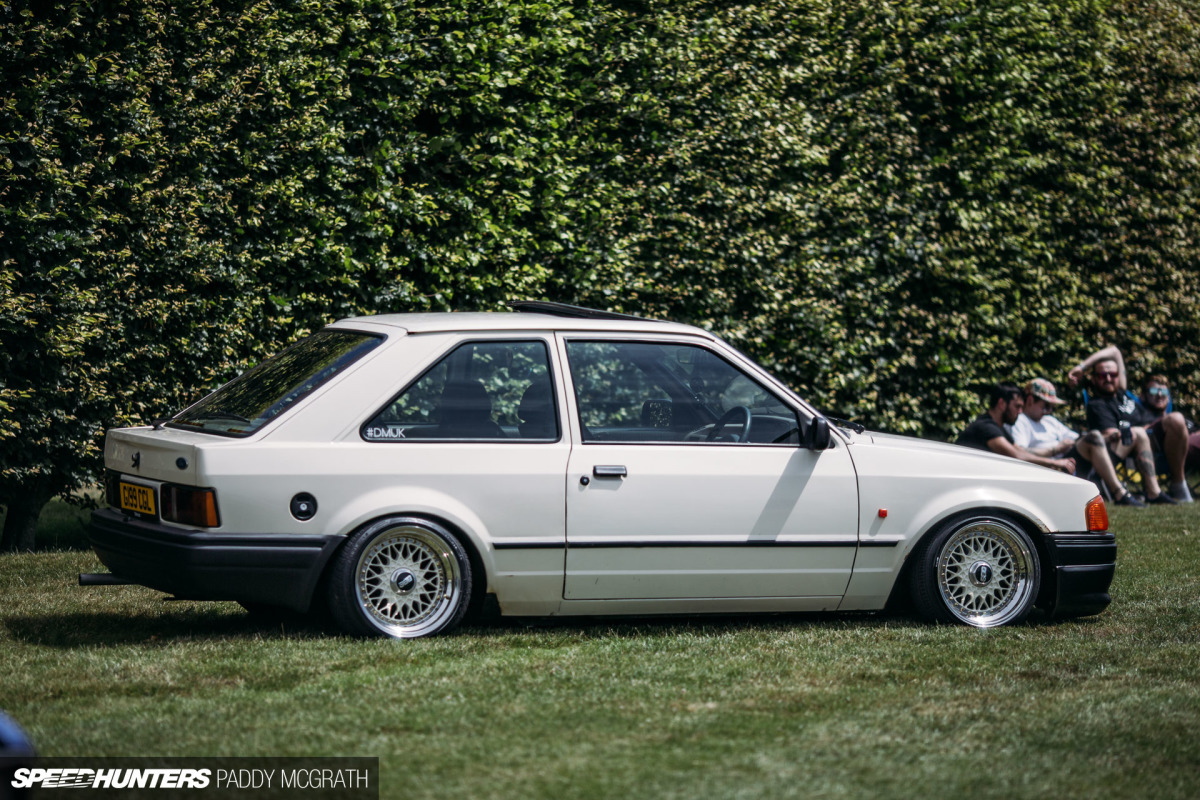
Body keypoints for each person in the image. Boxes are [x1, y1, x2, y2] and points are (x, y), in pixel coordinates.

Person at [1009, 378, 1143, 506]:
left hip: (1068, 464)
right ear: (1030, 401)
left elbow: (1078, 438)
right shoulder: (1021, 421)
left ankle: (1111, 486)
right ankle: (1118, 492)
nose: (1049, 411)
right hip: (1049, 469)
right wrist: (1055, 450)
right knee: (1094, 437)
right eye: (1046, 406)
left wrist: (1109, 438)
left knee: (1097, 437)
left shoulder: (1049, 420)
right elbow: (1021, 453)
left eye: (1051, 407)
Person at [1073, 349, 1180, 503]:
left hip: (1149, 439)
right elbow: (1112, 435)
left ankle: (1164, 489)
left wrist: (1082, 366)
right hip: (1122, 448)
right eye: (1103, 375)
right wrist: (1081, 369)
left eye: (1113, 375)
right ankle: (1154, 492)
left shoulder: (1122, 393)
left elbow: (1115, 351)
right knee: (1139, 432)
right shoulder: (1098, 404)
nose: (1109, 378)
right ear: (1094, 379)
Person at [956, 383, 1076, 473]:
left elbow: (1020, 451)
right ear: (1001, 403)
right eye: (1017, 406)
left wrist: (1050, 464)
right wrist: (1055, 462)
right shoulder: (986, 427)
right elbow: (1016, 456)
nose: (1020, 412)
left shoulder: (999, 428)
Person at [1139, 374, 1199, 501]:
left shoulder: (1180, 418)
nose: (1160, 394)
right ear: (1143, 395)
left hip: (1189, 450)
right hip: (1159, 454)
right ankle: (1178, 484)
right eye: (1154, 391)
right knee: (1175, 419)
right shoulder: (1139, 416)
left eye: (1164, 391)